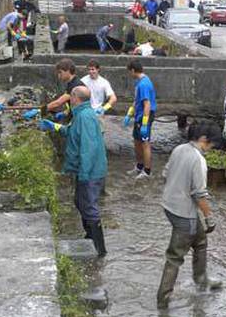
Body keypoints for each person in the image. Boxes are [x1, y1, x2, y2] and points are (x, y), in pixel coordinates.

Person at [157, 122, 223, 310]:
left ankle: (202, 279)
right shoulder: (198, 160)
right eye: (212, 145)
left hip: (169, 206)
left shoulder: (179, 149)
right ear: (204, 140)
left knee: (200, 241)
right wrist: (209, 217)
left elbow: (165, 174)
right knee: (174, 256)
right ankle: (163, 300)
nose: (211, 149)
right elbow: (199, 194)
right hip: (184, 213)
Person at [37, 86, 108, 257]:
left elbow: (88, 147)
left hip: (90, 171)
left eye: (71, 97)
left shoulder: (85, 117)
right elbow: (71, 132)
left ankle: (99, 248)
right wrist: (53, 126)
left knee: (89, 206)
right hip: (87, 169)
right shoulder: (81, 114)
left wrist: (84, 173)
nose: (69, 99)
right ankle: (90, 237)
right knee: (80, 201)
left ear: (76, 98)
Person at [123, 60, 157, 180]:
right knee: (137, 142)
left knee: (145, 143)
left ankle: (147, 171)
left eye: (129, 72)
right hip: (138, 115)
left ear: (133, 70)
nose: (129, 74)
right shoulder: (140, 82)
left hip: (145, 116)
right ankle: (139, 166)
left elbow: (147, 104)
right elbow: (137, 100)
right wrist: (129, 114)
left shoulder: (144, 84)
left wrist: (144, 123)